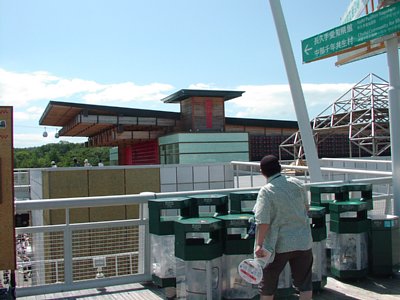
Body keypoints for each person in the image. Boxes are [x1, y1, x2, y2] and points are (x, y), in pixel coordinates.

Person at [253, 155, 313, 300]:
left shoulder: (266, 191)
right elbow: (306, 208)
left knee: (267, 285)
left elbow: (263, 221)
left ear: (262, 172)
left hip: (277, 244)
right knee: (305, 284)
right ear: (279, 168)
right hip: (303, 241)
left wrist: (259, 244)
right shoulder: (298, 184)